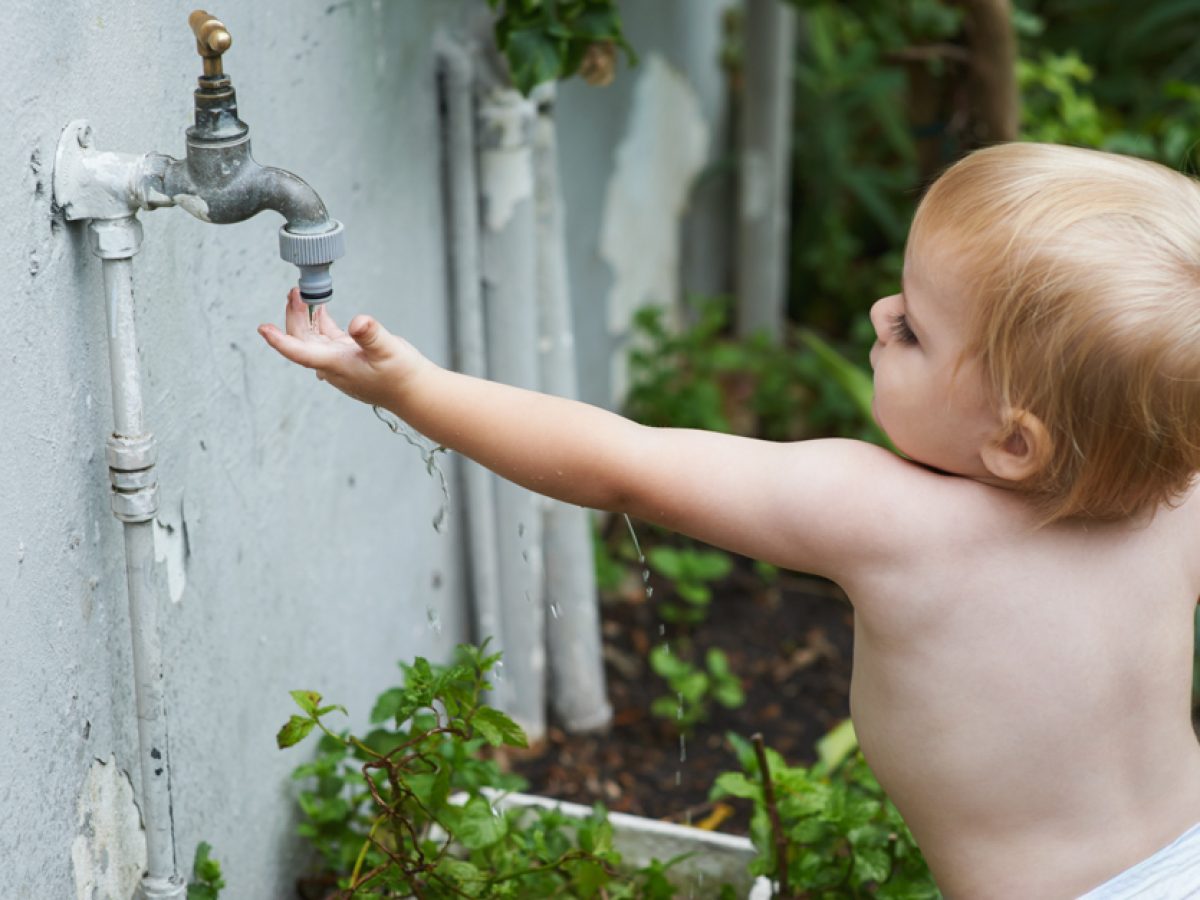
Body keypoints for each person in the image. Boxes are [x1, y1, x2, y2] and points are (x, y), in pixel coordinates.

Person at [258, 142, 1200, 898]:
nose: (879, 313)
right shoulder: (1176, 497)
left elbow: (626, 467)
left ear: (1016, 443)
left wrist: (411, 385)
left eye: (914, 327)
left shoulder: (895, 521)